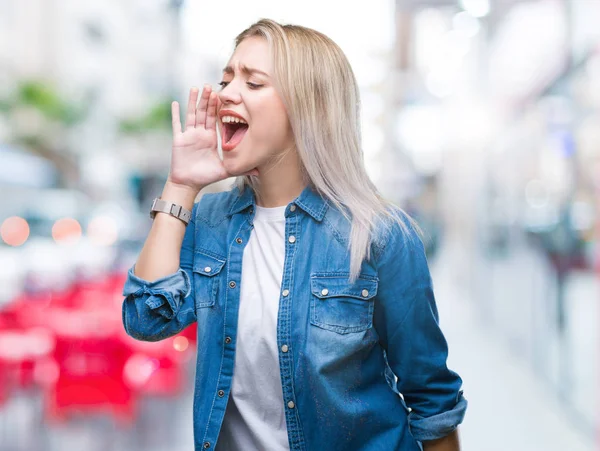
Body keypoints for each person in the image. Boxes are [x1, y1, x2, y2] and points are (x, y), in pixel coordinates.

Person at [122, 18, 467, 451]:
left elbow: (432, 402)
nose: (226, 92)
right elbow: (145, 320)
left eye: (253, 82)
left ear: (308, 106)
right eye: (227, 78)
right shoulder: (210, 219)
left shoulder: (379, 235)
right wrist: (183, 185)